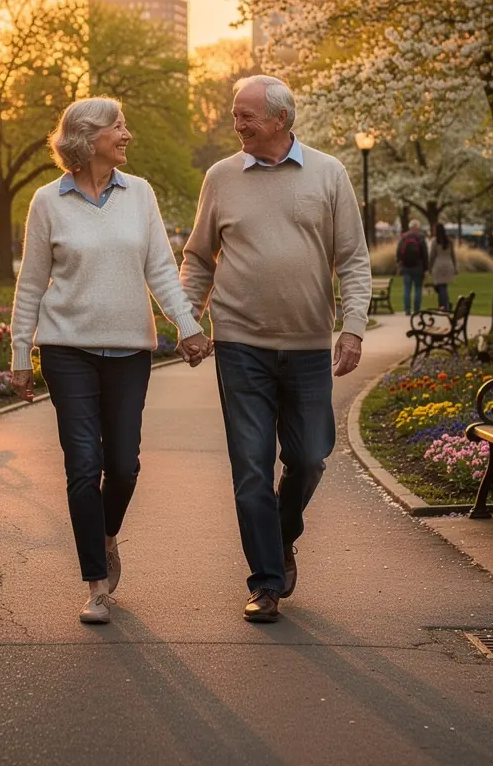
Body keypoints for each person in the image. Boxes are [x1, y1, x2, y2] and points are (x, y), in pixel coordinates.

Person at [10, 98, 211, 626]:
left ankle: (105, 532)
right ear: (86, 137)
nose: (127, 133)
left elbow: (162, 271)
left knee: (123, 466)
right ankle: (96, 584)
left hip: (128, 352)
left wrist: (187, 327)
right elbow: (30, 284)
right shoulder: (47, 202)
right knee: (83, 466)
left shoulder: (139, 193)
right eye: (116, 126)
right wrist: (18, 353)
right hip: (66, 350)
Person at [180, 75, 371, 624]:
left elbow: (354, 260)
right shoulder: (221, 177)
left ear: (282, 119)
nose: (235, 124)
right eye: (235, 114)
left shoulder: (329, 174)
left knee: (309, 457)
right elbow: (198, 258)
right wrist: (188, 317)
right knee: (251, 466)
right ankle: (265, 580)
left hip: (309, 345)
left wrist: (353, 327)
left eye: (246, 116)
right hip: (240, 343)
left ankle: (281, 535)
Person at [396, 219, 429, 315]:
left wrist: (399, 262)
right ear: (417, 227)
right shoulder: (421, 237)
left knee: (407, 288)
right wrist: (426, 268)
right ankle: (417, 310)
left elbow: (398, 251)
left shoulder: (404, 237)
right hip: (418, 267)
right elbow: (425, 254)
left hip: (406, 267)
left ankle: (407, 310)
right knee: (418, 288)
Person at [428, 222, 458, 310]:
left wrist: (429, 267)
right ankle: (445, 304)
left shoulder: (435, 241)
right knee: (443, 287)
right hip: (448, 265)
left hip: (438, 266)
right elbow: (453, 255)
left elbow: (432, 256)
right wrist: (455, 267)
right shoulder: (449, 241)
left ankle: (445, 306)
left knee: (441, 287)